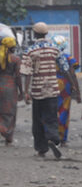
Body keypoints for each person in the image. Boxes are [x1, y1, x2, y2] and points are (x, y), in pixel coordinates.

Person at [21, 22, 70, 158]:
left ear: (35, 34)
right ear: (46, 33)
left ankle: (41, 149)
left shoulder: (30, 51)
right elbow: (65, 68)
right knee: (51, 118)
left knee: (37, 120)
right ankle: (53, 139)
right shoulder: (55, 49)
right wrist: (72, 86)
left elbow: (27, 73)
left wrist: (26, 92)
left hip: (37, 91)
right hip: (52, 90)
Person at [52, 36, 81, 145]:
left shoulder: (49, 57)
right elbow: (72, 74)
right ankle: (62, 138)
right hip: (65, 86)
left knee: (50, 110)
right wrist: (77, 91)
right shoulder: (68, 58)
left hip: (50, 84)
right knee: (64, 111)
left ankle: (51, 136)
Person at [0, 35, 22, 145]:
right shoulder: (16, 59)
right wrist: (22, 91)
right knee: (9, 112)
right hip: (10, 87)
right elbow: (18, 76)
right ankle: (8, 136)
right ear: (11, 47)